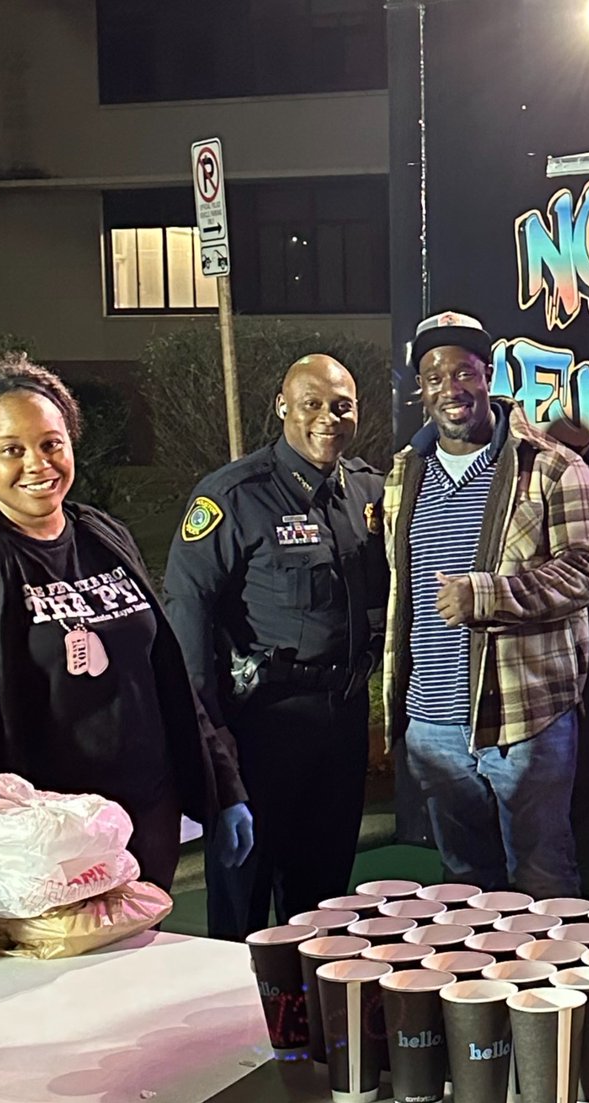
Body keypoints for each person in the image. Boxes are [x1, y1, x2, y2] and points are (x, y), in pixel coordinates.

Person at [0, 353, 253, 1103]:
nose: (36, 465)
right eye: (11, 449)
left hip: (142, 816)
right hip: (44, 853)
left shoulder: (102, 534)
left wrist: (224, 785)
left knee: (143, 1001)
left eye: (50, 443)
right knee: (66, 1014)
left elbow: (167, 673)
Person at [383, 312, 589, 899]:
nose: (450, 390)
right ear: (421, 390)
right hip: (432, 719)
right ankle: (473, 992)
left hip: (524, 717)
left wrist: (487, 595)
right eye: (434, 378)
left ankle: (556, 992)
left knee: (542, 879)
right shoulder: (403, 473)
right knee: (463, 884)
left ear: (488, 375)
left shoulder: (553, 465)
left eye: (463, 372)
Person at [165, 354, 387, 939]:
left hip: (342, 716)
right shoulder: (234, 496)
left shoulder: (369, 490)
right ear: (282, 407)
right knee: (243, 892)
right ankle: (229, 1022)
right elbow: (188, 612)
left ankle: (310, 1020)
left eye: (342, 405)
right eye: (312, 403)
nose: (327, 418)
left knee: (324, 896)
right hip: (261, 722)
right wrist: (209, 731)